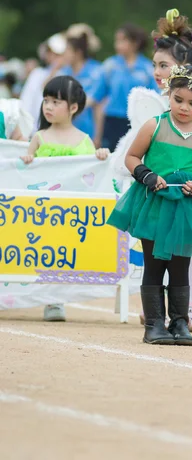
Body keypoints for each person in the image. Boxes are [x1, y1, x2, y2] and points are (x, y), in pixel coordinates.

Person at [113, 9, 192, 332]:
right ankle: (155, 320)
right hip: (154, 199)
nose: (184, 108)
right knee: (153, 262)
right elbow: (131, 155)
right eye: (156, 65)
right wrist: (146, 176)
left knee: (184, 260)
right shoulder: (154, 118)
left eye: (164, 65)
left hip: (187, 204)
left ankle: (184, 316)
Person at [20, 75, 109, 322]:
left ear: (73, 107)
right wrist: (28, 160)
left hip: (70, 213)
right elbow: (24, 173)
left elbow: (92, 173)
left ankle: (55, 299)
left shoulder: (83, 141)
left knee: (62, 255)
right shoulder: (39, 138)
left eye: (55, 101)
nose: (48, 106)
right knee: (43, 253)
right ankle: (45, 298)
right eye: (46, 100)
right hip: (42, 211)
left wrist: (100, 156)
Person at [91, 23, 158, 151]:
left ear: (135, 43)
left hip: (137, 122)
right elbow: (96, 98)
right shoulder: (110, 66)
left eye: (122, 40)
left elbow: (155, 98)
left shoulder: (148, 68)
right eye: (116, 40)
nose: (118, 44)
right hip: (112, 121)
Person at [20, 33, 67, 129]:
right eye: (51, 52)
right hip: (31, 126)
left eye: (57, 54)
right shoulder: (37, 73)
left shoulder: (65, 76)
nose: (53, 56)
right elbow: (26, 101)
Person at [59, 32, 101, 139]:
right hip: (65, 131)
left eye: (67, 50)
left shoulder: (96, 71)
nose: (64, 54)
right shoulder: (64, 71)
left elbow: (97, 103)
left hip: (88, 130)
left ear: (78, 53)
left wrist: (98, 135)